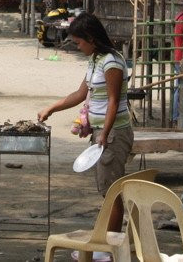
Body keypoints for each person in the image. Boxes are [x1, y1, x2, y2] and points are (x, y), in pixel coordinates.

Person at [38, 13, 132, 237]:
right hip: (102, 132)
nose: (78, 47)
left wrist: (105, 133)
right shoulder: (95, 60)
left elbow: (113, 101)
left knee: (111, 191)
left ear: (91, 38)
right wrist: (51, 108)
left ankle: (110, 244)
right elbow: (81, 93)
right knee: (107, 189)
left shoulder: (111, 62)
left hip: (113, 133)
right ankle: (107, 241)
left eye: (79, 42)